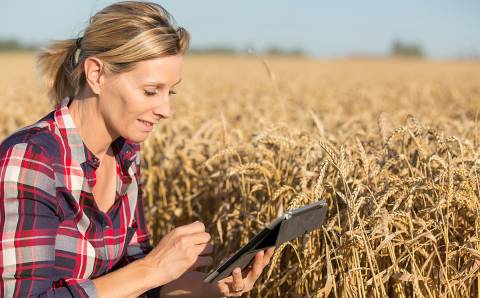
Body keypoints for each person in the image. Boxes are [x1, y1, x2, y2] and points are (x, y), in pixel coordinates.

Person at [0, 1, 275, 297]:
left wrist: (207, 288)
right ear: (96, 75)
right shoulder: (31, 160)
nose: (166, 110)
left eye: (169, 92)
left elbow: (133, 287)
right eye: (150, 91)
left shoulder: (126, 156)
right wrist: (153, 267)